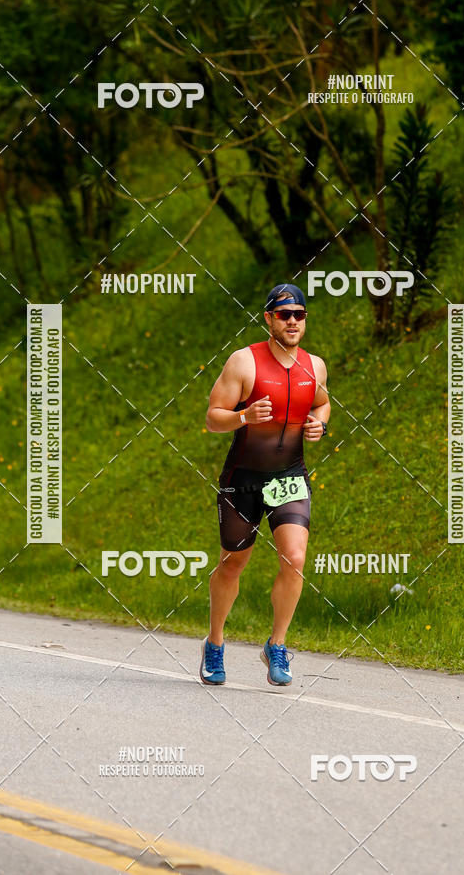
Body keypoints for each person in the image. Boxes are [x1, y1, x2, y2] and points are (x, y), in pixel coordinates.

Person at [201, 284, 330, 686]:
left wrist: (320, 424)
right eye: (285, 313)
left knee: (294, 556)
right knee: (233, 562)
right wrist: (244, 417)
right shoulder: (244, 362)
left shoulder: (315, 366)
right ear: (269, 318)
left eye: (300, 314)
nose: (293, 320)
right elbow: (212, 417)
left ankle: (277, 645)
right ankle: (216, 644)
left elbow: (322, 402)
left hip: (290, 476)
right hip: (244, 479)